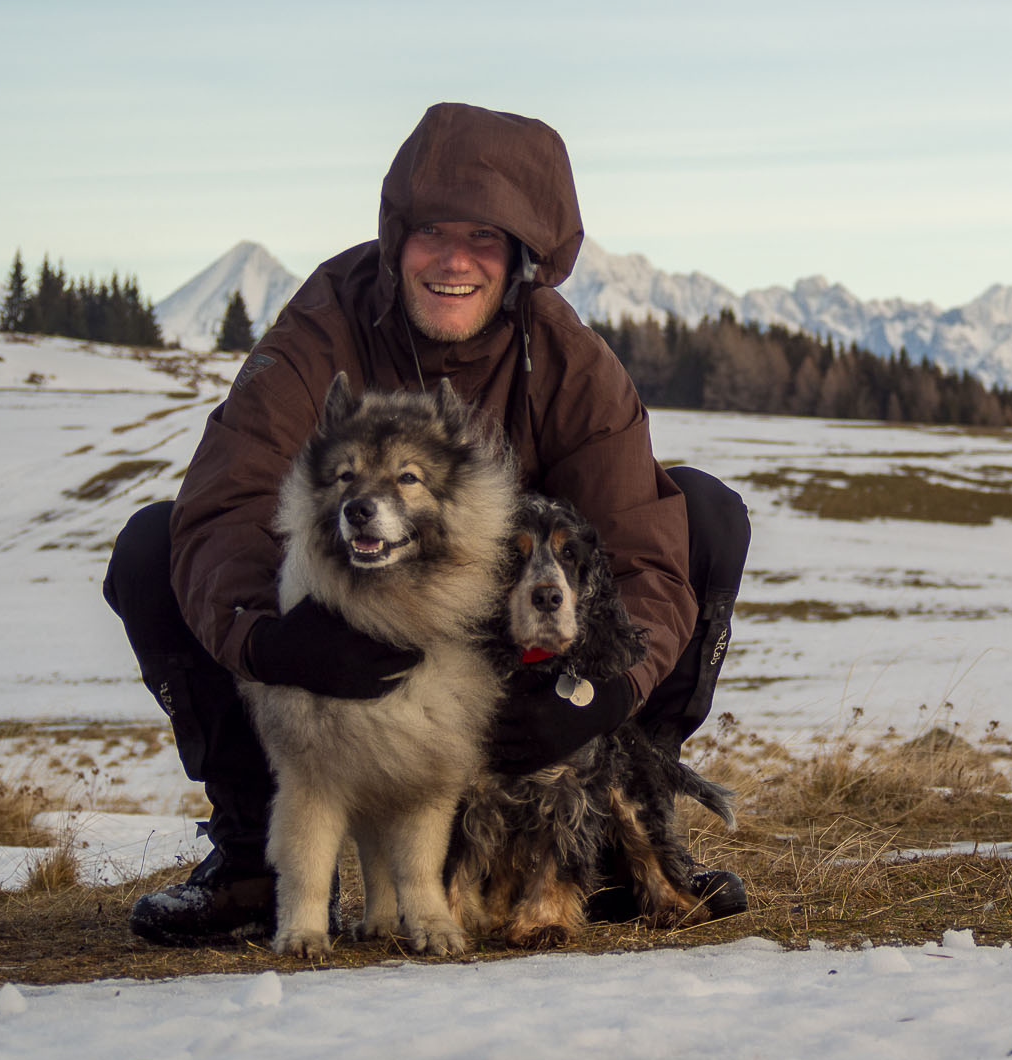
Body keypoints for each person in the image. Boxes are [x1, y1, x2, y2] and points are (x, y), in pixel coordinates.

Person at [103, 103, 748, 945]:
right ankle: (253, 863)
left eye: (485, 238)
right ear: (394, 237)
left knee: (704, 515)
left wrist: (604, 695)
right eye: (432, 231)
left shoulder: (565, 359)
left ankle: (627, 840)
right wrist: (268, 639)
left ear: (523, 258)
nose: (453, 260)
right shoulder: (322, 326)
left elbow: (643, 549)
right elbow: (227, 498)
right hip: (349, 664)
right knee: (154, 550)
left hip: (507, 662)